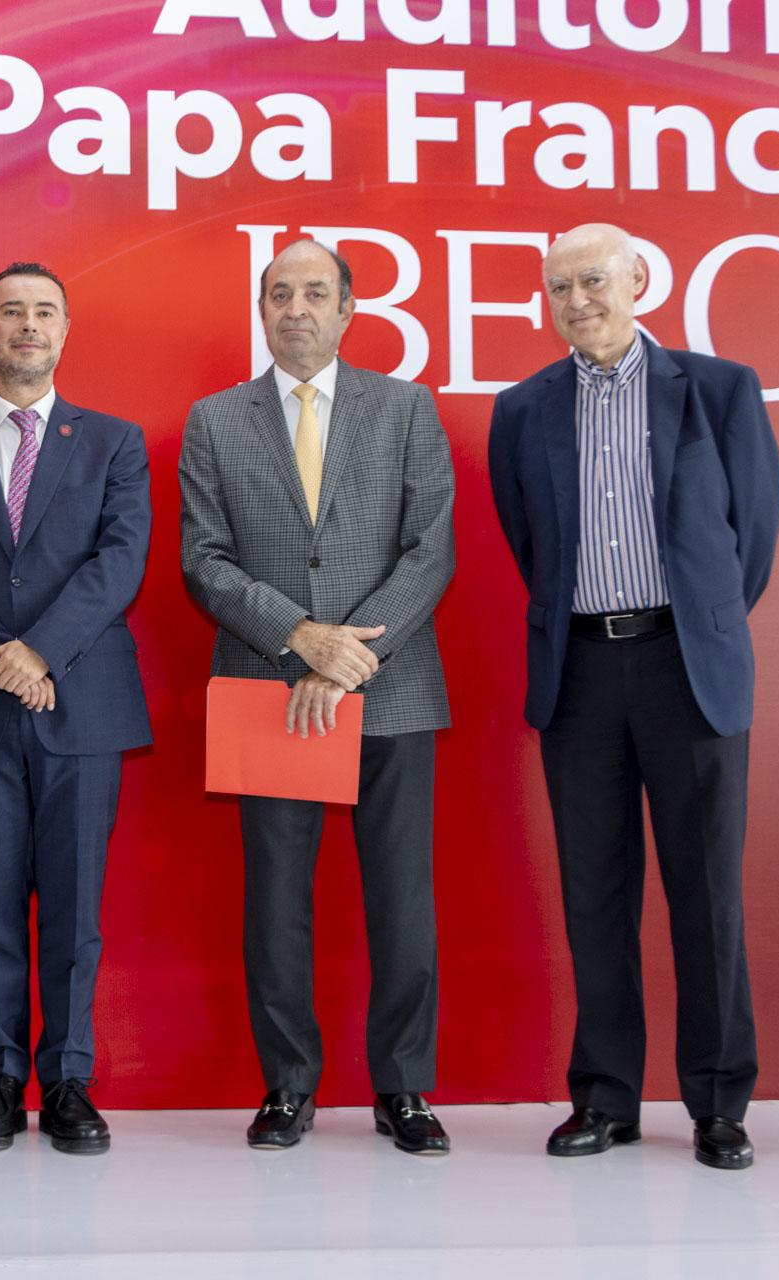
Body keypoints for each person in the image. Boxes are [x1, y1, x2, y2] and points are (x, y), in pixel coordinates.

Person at [488, 223, 779, 1171]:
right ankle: (606, 1099)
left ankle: (719, 1104)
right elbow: (530, 543)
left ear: (639, 280)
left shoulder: (720, 390)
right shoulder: (521, 409)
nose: (576, 300)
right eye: (558, 286)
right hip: (579, 672)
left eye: (593, 280)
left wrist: (694, 623)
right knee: (595, 896)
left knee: (708, 894)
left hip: (686, 666)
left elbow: (751, 537)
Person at [178, 238, 456, 1156]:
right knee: (276, 903)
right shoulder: (216, 420)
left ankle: (404, 1089)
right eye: (279, 293)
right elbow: (203, 560)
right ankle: (288, 1086)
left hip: (391, 686)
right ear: (262, 309)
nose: (296, 308)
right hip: (269, 686)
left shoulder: (406, 407)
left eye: (314, 293)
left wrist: (344, 659)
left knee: (403, 899)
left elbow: (431, 548)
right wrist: (300, 637)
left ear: (347, 309)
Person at [0, 263, 152, 1155]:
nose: (27, 325)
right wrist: (4, 663)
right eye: (10, 311)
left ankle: (70, 1079)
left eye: (44, 311)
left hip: (83, 705)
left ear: (65, 329)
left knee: (75, 911)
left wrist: (40, 651)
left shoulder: (115, 442)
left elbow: (119, 561)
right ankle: (1, 1077)